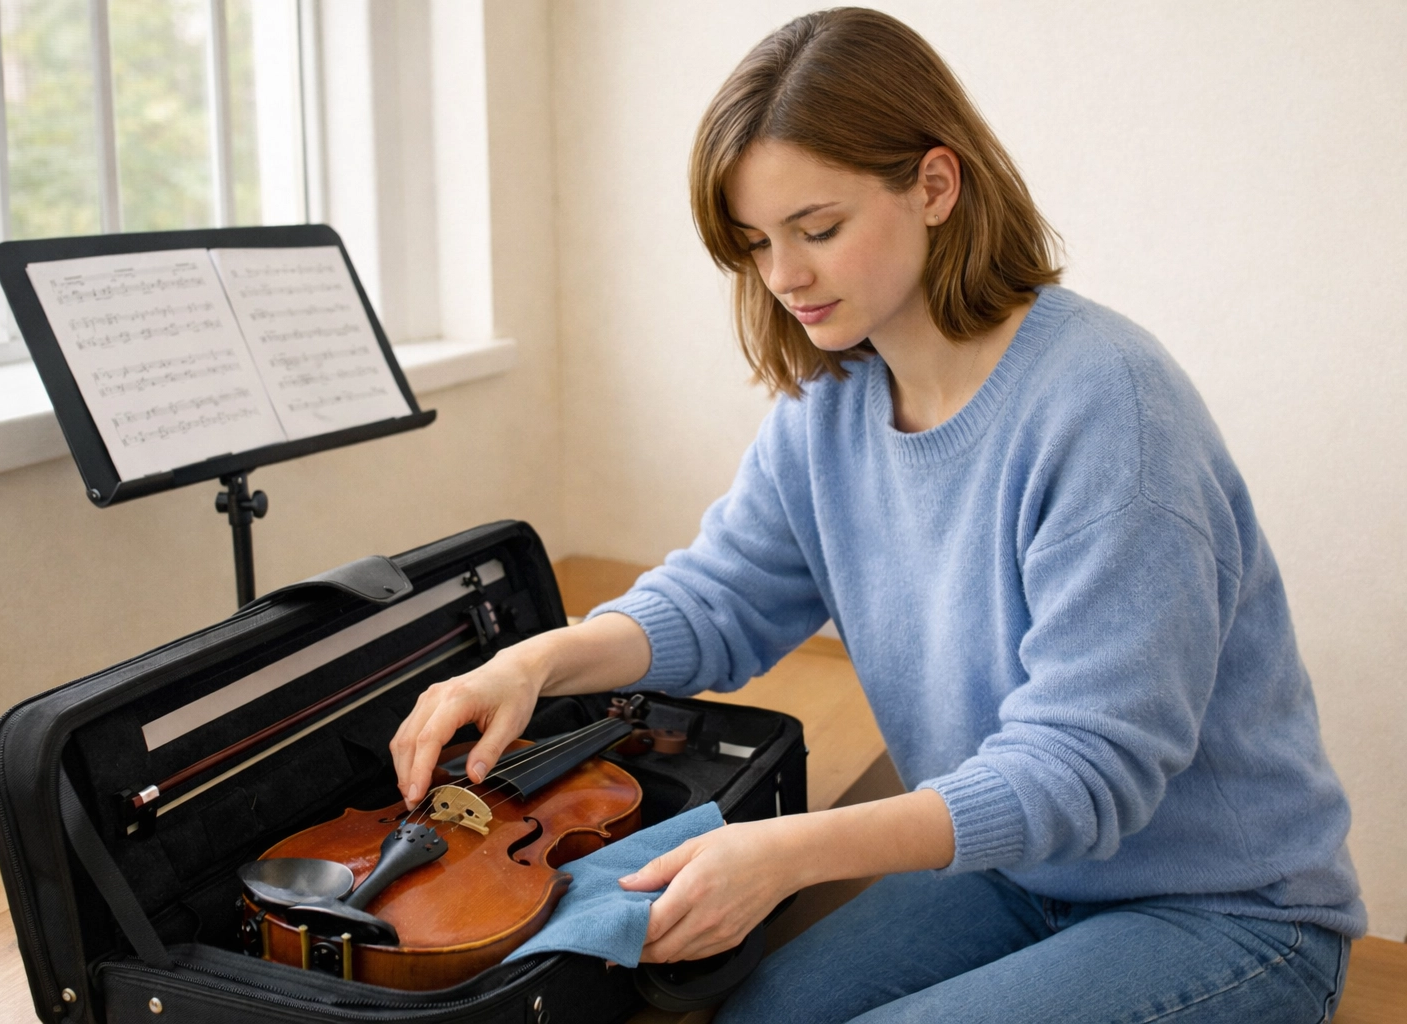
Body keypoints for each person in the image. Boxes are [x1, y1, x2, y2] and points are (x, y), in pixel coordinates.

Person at [390, 9, 1362, 1022]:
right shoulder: (832, 408)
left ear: (936, 186)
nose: (785, 277)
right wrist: (532, 664)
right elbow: (719, 600)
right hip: (1020, 876)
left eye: (818, 230)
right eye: (757, 242)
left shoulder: (1109, 403)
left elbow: (1084, 771)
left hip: (1226, 913)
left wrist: (781, 854)